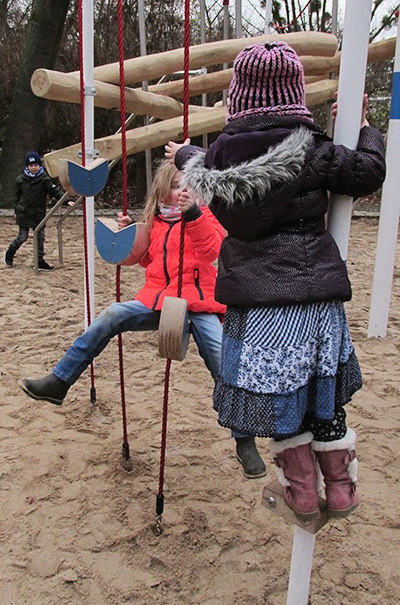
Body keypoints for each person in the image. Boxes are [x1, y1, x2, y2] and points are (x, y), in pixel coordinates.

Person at [166, 41, 386, 520]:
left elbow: (207, 166)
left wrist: (185, 154)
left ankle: (301, 493)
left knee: (282, 401)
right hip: (312, 297)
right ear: (295, 95)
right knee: (322, 400)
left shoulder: (217, 159)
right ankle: (342, 489)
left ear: (238, 97)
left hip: (257, 307)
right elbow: (368, 172)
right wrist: (367, 131)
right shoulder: (314, 151)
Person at [18, 159, 267, 478]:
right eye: (176, 186)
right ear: (162, 190)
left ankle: (245, 441)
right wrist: (130, 235)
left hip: (199, 302)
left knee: (223, 360)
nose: (184, 191)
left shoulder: (206, 215)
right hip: (159, 299)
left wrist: (193, 214)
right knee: (112, 314)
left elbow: (212, 251)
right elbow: (147, 260)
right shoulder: (155, 223)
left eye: (189, 185)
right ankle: (59, 382)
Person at [4, 150, 71, 271]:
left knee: (40, 238)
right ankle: (10, 253)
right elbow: (17, 197)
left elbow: (54, 191)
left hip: (38, 214)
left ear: (40, 166)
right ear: (27, 167)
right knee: (22, 237)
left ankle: (39, 260)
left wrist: (66, 200)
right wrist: (16, 211)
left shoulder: (44, 179)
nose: (34, 168)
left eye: (36, 165)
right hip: (24, 213)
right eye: (31, 165)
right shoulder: (20, 180)